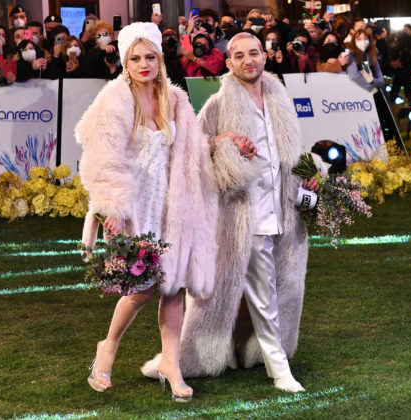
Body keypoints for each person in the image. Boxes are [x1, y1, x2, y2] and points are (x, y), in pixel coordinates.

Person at [142, 32, 327, 393]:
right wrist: (223, 146)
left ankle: (238, 350)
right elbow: (194, 151)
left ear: (264, 56)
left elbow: (291, 153)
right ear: (228, 63)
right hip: (244, 216)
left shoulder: (280, 99)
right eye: (239, 55)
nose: (248, 60)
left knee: (282, 289)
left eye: (253, 53)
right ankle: (280, 370)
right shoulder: (217, 105)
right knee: (263, 294)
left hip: (284, 212)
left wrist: (311, 172)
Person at [75, 22, 219, 402]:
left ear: (160, 60)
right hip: (134, 207)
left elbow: (193, 148)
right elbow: (102, 160)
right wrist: (112, 209)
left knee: (173, 287)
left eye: (150, 57)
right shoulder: (115, 100)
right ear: (125, 62)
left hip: (173, 205)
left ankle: (171, 362)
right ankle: (107, 346)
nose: (144, 64)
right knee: (140, 290)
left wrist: (221, 144)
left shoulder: (175, 99)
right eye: (136, 58)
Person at [345, 28, 385, 93]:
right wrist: (370, 86)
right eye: (359, 39)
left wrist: (372, 80)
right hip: (355, 92)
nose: (363, 41)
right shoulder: (351, 54)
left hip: (369, 93)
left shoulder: (370, 55)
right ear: (354, 41)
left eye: (366, 38)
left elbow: (381, 81)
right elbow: (353, 76)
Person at [388, 24, 411, 105]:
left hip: (408, 69)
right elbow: (394, 52)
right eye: (404, 30)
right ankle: (391, 102)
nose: (405, 32)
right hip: (399, 69)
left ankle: (409, 103)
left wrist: (402, 63)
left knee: (407, 87)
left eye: (407, 31)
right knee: (395, 86)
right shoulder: (399, 41)